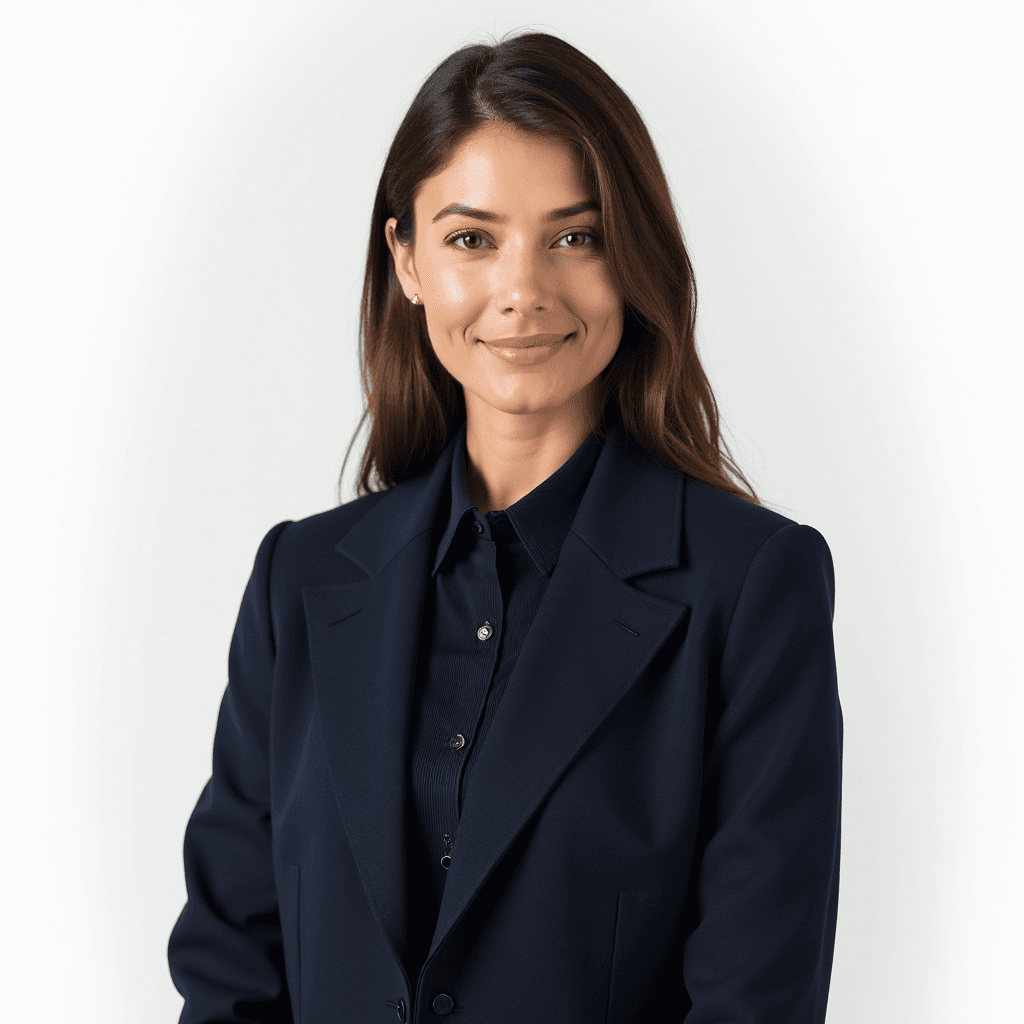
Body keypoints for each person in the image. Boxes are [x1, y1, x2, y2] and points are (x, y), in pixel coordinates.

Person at [168, 29, 842, 1024]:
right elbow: (231, 970)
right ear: (405, 259)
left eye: (575, 235)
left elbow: (754, 1000)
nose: (522, 291)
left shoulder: (749, 588)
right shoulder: (297, 583)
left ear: (633, 257)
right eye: (471, 239)